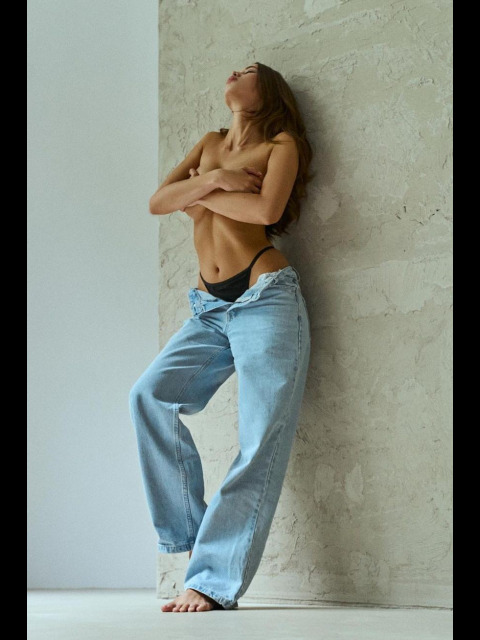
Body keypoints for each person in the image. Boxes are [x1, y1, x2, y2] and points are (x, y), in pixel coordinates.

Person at [129, 62, 314, 612]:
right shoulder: (210, 144)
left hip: (265, 297)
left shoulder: (281, 145)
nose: (235, 72)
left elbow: (265, 209)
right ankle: (195, 541)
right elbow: (158, 201)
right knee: (149, 397)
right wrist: (215, 181)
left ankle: (211, 581)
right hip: (209, 308)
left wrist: (197, 194)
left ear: (268, 91)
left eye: (249, 71)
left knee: (260, 438)